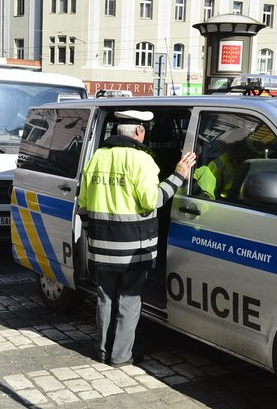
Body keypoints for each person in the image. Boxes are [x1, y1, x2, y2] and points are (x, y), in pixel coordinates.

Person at [77, 110, 196, 367]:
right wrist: (178, 175)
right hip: (132, 249)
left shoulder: (97, 157)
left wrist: (93, 234)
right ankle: (121, 356)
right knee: (129, 300)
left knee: (105, 298)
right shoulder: (142, 160)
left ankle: (102, 351)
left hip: (100, 246)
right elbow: (152, 200)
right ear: (140, 132)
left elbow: (83, 205)